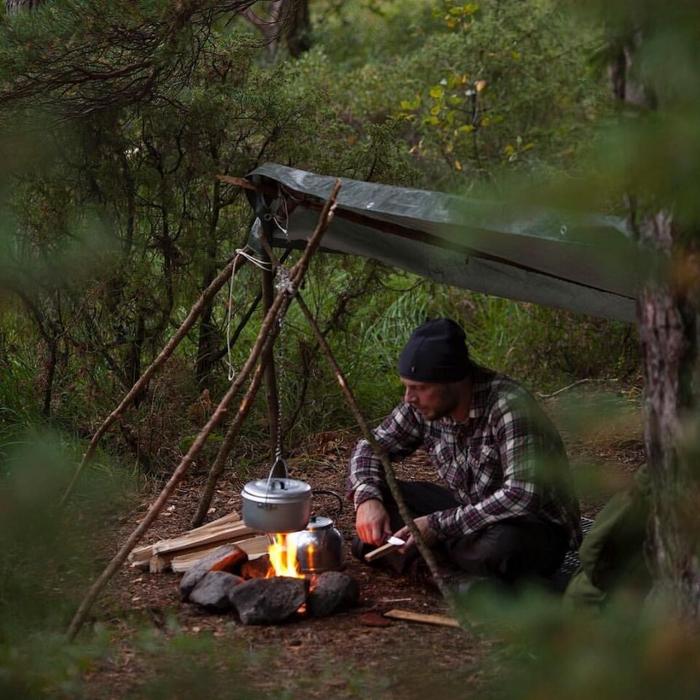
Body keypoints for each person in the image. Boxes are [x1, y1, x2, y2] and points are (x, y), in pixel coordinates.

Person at [347, 318, 582, 586]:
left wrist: (436, 527)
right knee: (383, 498)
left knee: (498, 550)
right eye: (407, 386)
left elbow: (522, 495)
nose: (408, 398)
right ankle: (454, 580)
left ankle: (424, 560)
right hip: (468, 517)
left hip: (531, 528)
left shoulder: (508, 406)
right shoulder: (420, 406)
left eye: (420, 388)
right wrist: (367, 499)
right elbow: (370, 447)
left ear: (455, 382)